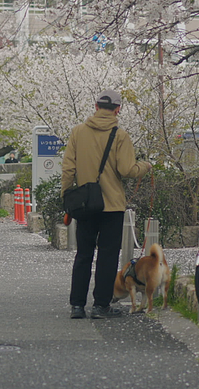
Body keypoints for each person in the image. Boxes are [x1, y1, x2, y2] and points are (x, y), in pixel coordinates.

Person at [62, 90, 151, 319]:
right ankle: (101, 306)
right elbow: (127, 170)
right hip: (112, 206)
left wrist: (67, 197)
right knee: (107, 256)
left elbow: (68, 168)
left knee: (83, 254)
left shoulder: (78, 132)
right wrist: (145, 166)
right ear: (118, 109)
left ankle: (77, 306)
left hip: (85, 205)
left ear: (96, 106)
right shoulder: (120, 135)